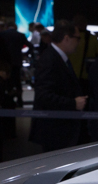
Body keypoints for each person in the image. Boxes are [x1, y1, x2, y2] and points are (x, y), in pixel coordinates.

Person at [31, 21, 88, 150]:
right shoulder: (50, 59)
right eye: (77, 38)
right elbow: (43, 95)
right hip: (55, 130)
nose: (79, 43)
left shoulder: (57, 57)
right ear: (66, 38)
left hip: (59, 128)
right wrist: (73, 103)